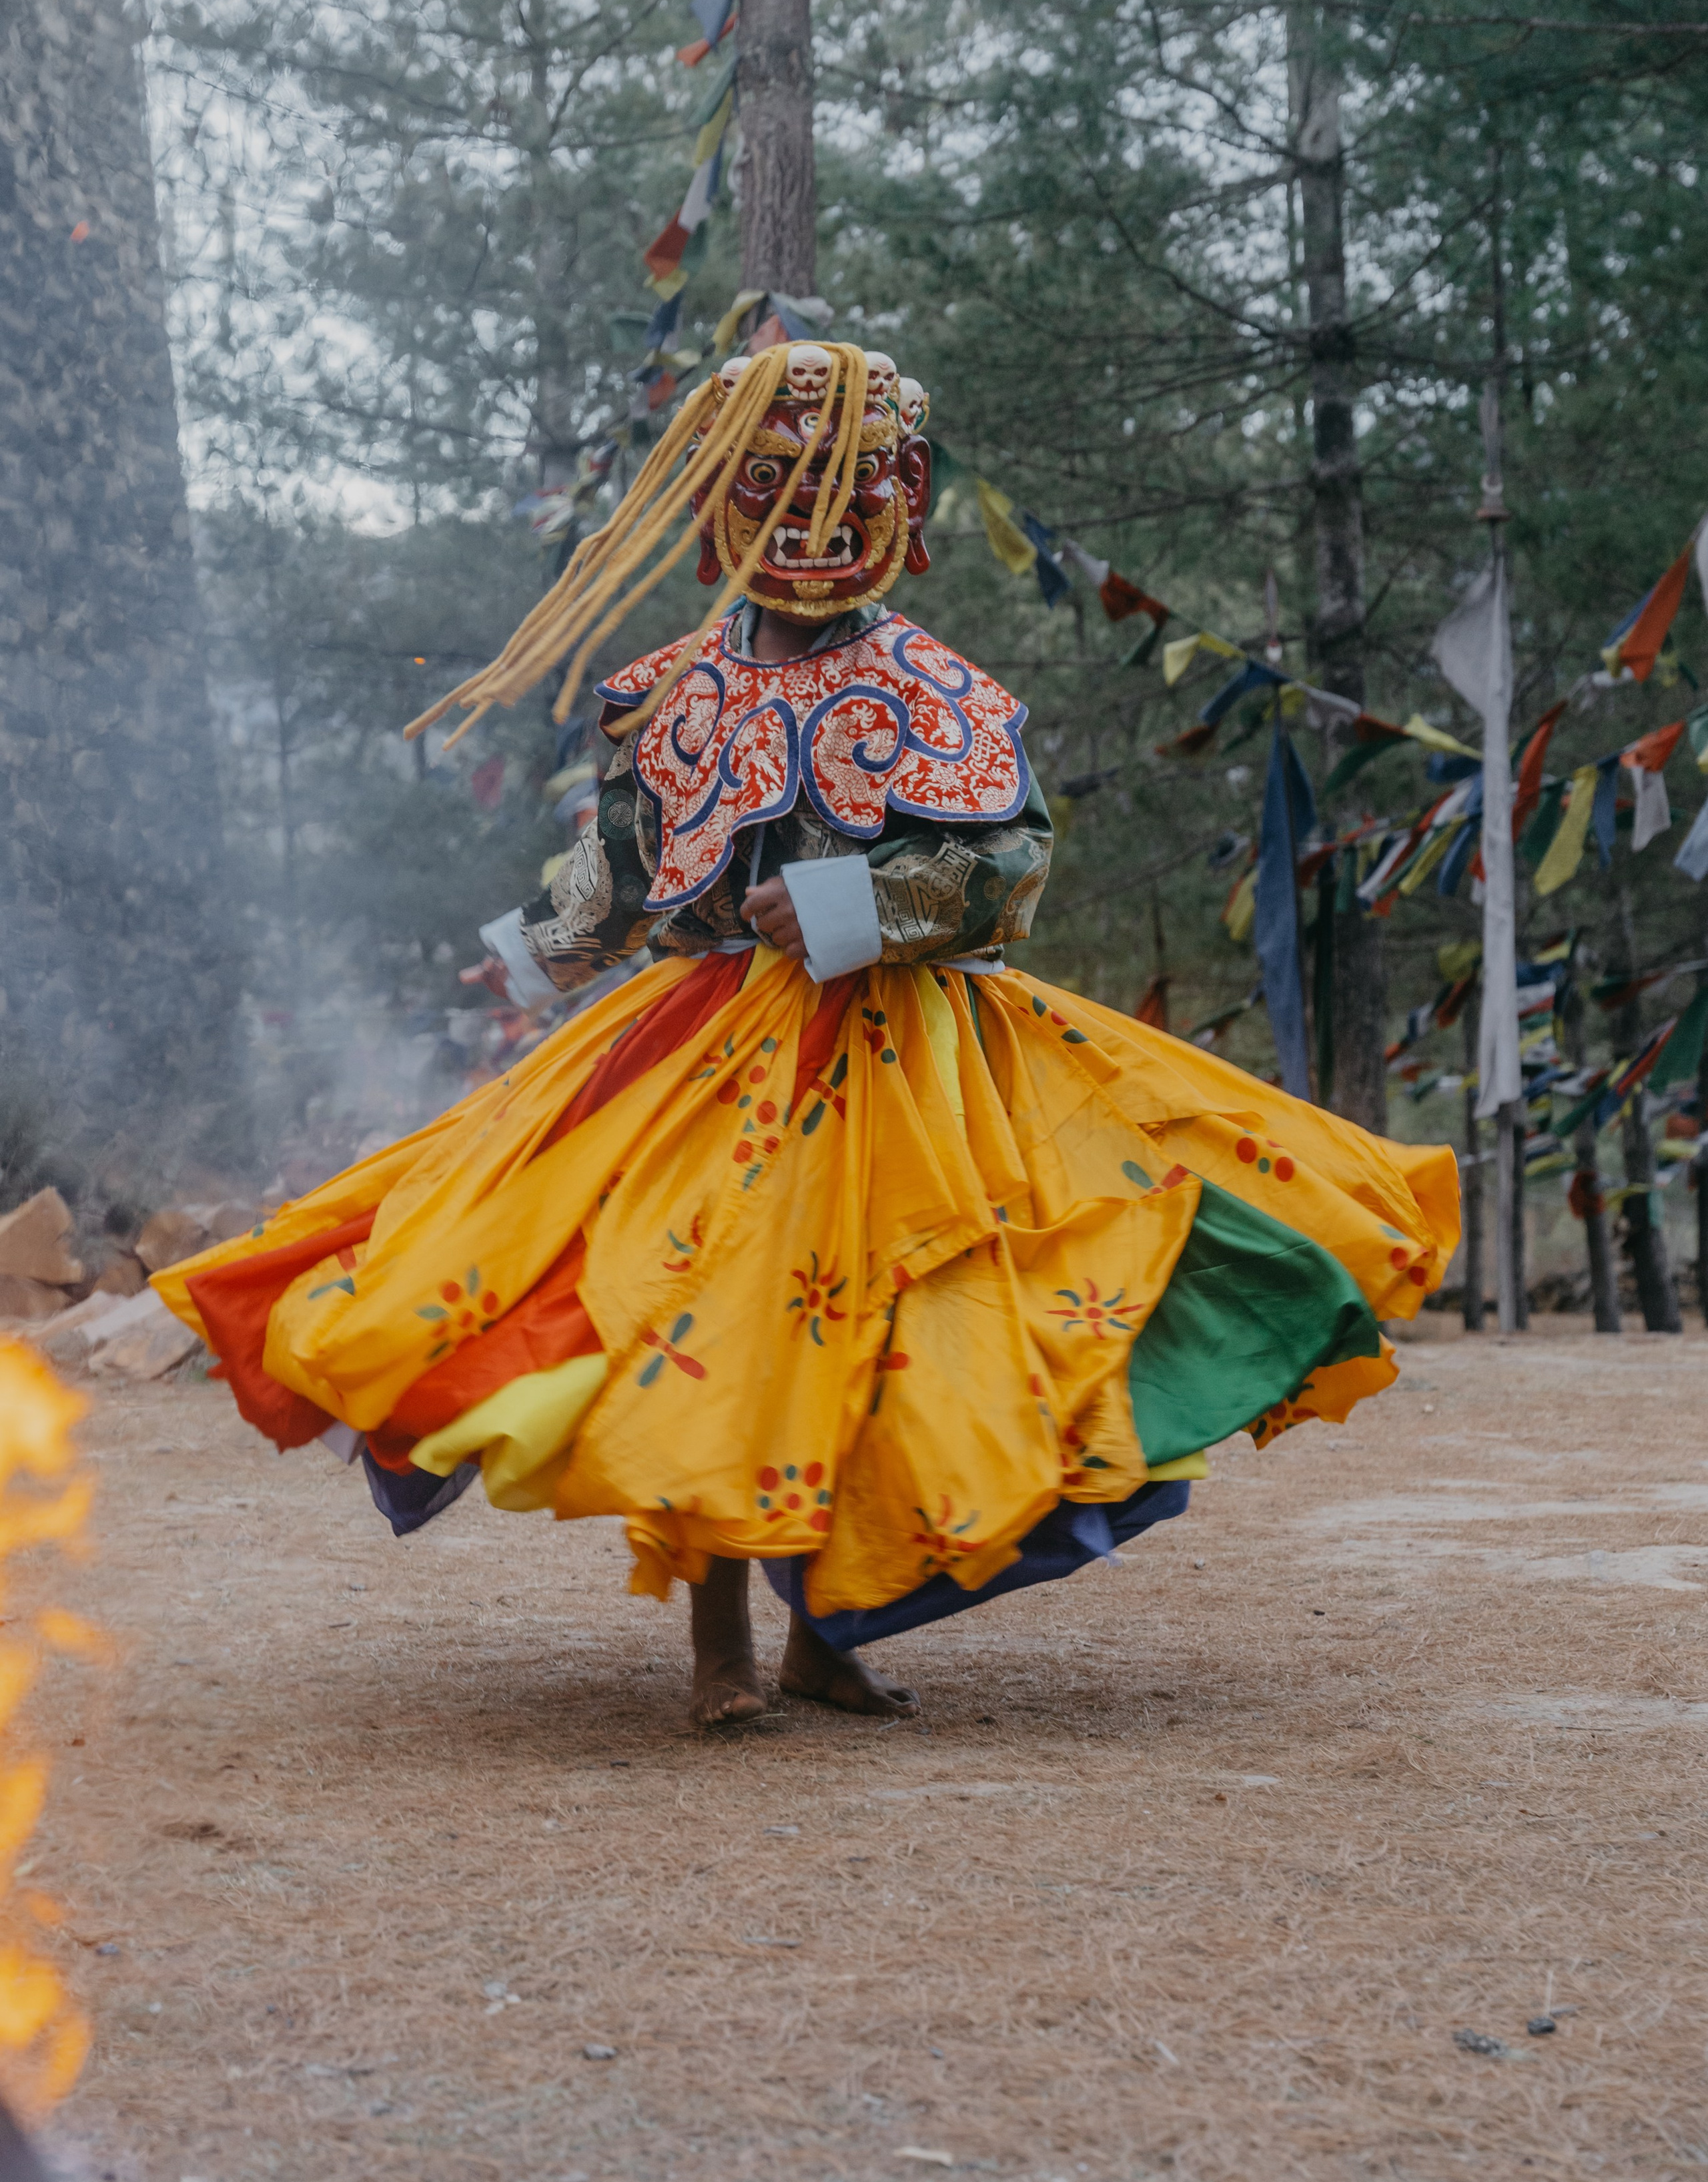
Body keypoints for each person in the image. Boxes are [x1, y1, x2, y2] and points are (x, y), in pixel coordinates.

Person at [153, 342, 1458, 1725]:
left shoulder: (936, 691)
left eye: (847, 488)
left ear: (900, 501)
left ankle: (823, 1635)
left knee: (886, 1336)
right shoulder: (664, 693)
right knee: (708, 1315)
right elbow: (623, 869)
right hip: (708, 1052)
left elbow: (1009, 873)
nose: (813, 522)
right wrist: (538, 956)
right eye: (776, 486)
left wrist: (848, 900)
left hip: (910, 1058)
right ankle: (722, 1646)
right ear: (726, 498)